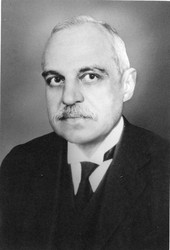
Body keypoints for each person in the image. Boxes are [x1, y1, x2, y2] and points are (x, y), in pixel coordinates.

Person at [0, 16, 169, 250]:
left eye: (90, 76)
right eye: (56, 79)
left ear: (127, 84)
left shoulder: (165, 167)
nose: (69, 97)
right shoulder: (18, 166)